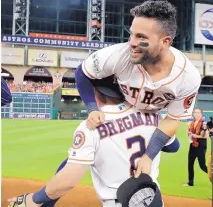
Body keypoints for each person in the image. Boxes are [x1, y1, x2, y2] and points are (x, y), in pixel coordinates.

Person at [75, 0, 201, 177]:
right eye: (131, 35)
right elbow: (82, 73)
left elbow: (173, 120)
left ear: (165, 41)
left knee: (173, 147)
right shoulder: (119, 54)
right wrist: (92, 109)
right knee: (91, 143)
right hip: (123, 102)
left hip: (155, 115)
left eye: (141, 38)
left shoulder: (188, 77)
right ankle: (45, 200)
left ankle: (162, 138)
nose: (132, 43)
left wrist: (148, 157)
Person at [8, 83, 179, 207]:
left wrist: (33, 199)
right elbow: (174, 146)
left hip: (118, 202)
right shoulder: (152, 115)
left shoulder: (91, 126)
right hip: (152, 199)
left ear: (97, 95)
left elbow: (67, 181)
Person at [183, 108, 208, 187]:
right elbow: (188, 134)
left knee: (202, 166)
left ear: (201, 114)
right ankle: (190, 182)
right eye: (195, 112)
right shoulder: (192, 123)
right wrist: (187, 127)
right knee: (190, 164)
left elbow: (206, 136)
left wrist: (195, 135)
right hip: (193, 145)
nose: (196, 114)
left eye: (198, 112)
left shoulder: (204, 123)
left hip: (201, 146)